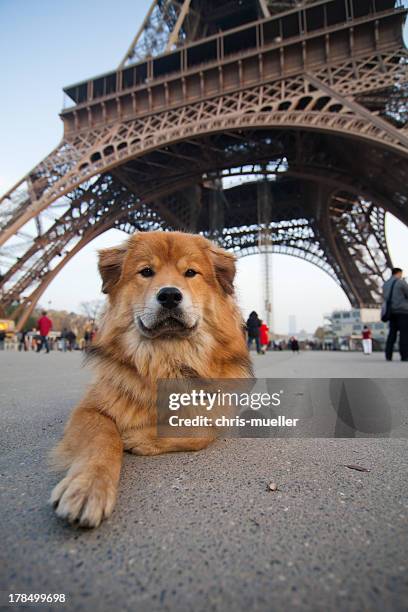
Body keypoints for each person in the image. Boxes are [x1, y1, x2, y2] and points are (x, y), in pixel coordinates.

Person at [383, 267, 408, 361]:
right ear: (399, 273)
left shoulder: (386, 284)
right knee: (404, 334)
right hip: (403, 311)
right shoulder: (401, 282)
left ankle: (388, 355)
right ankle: (404, 355)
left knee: (392, 334)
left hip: (391, 312)